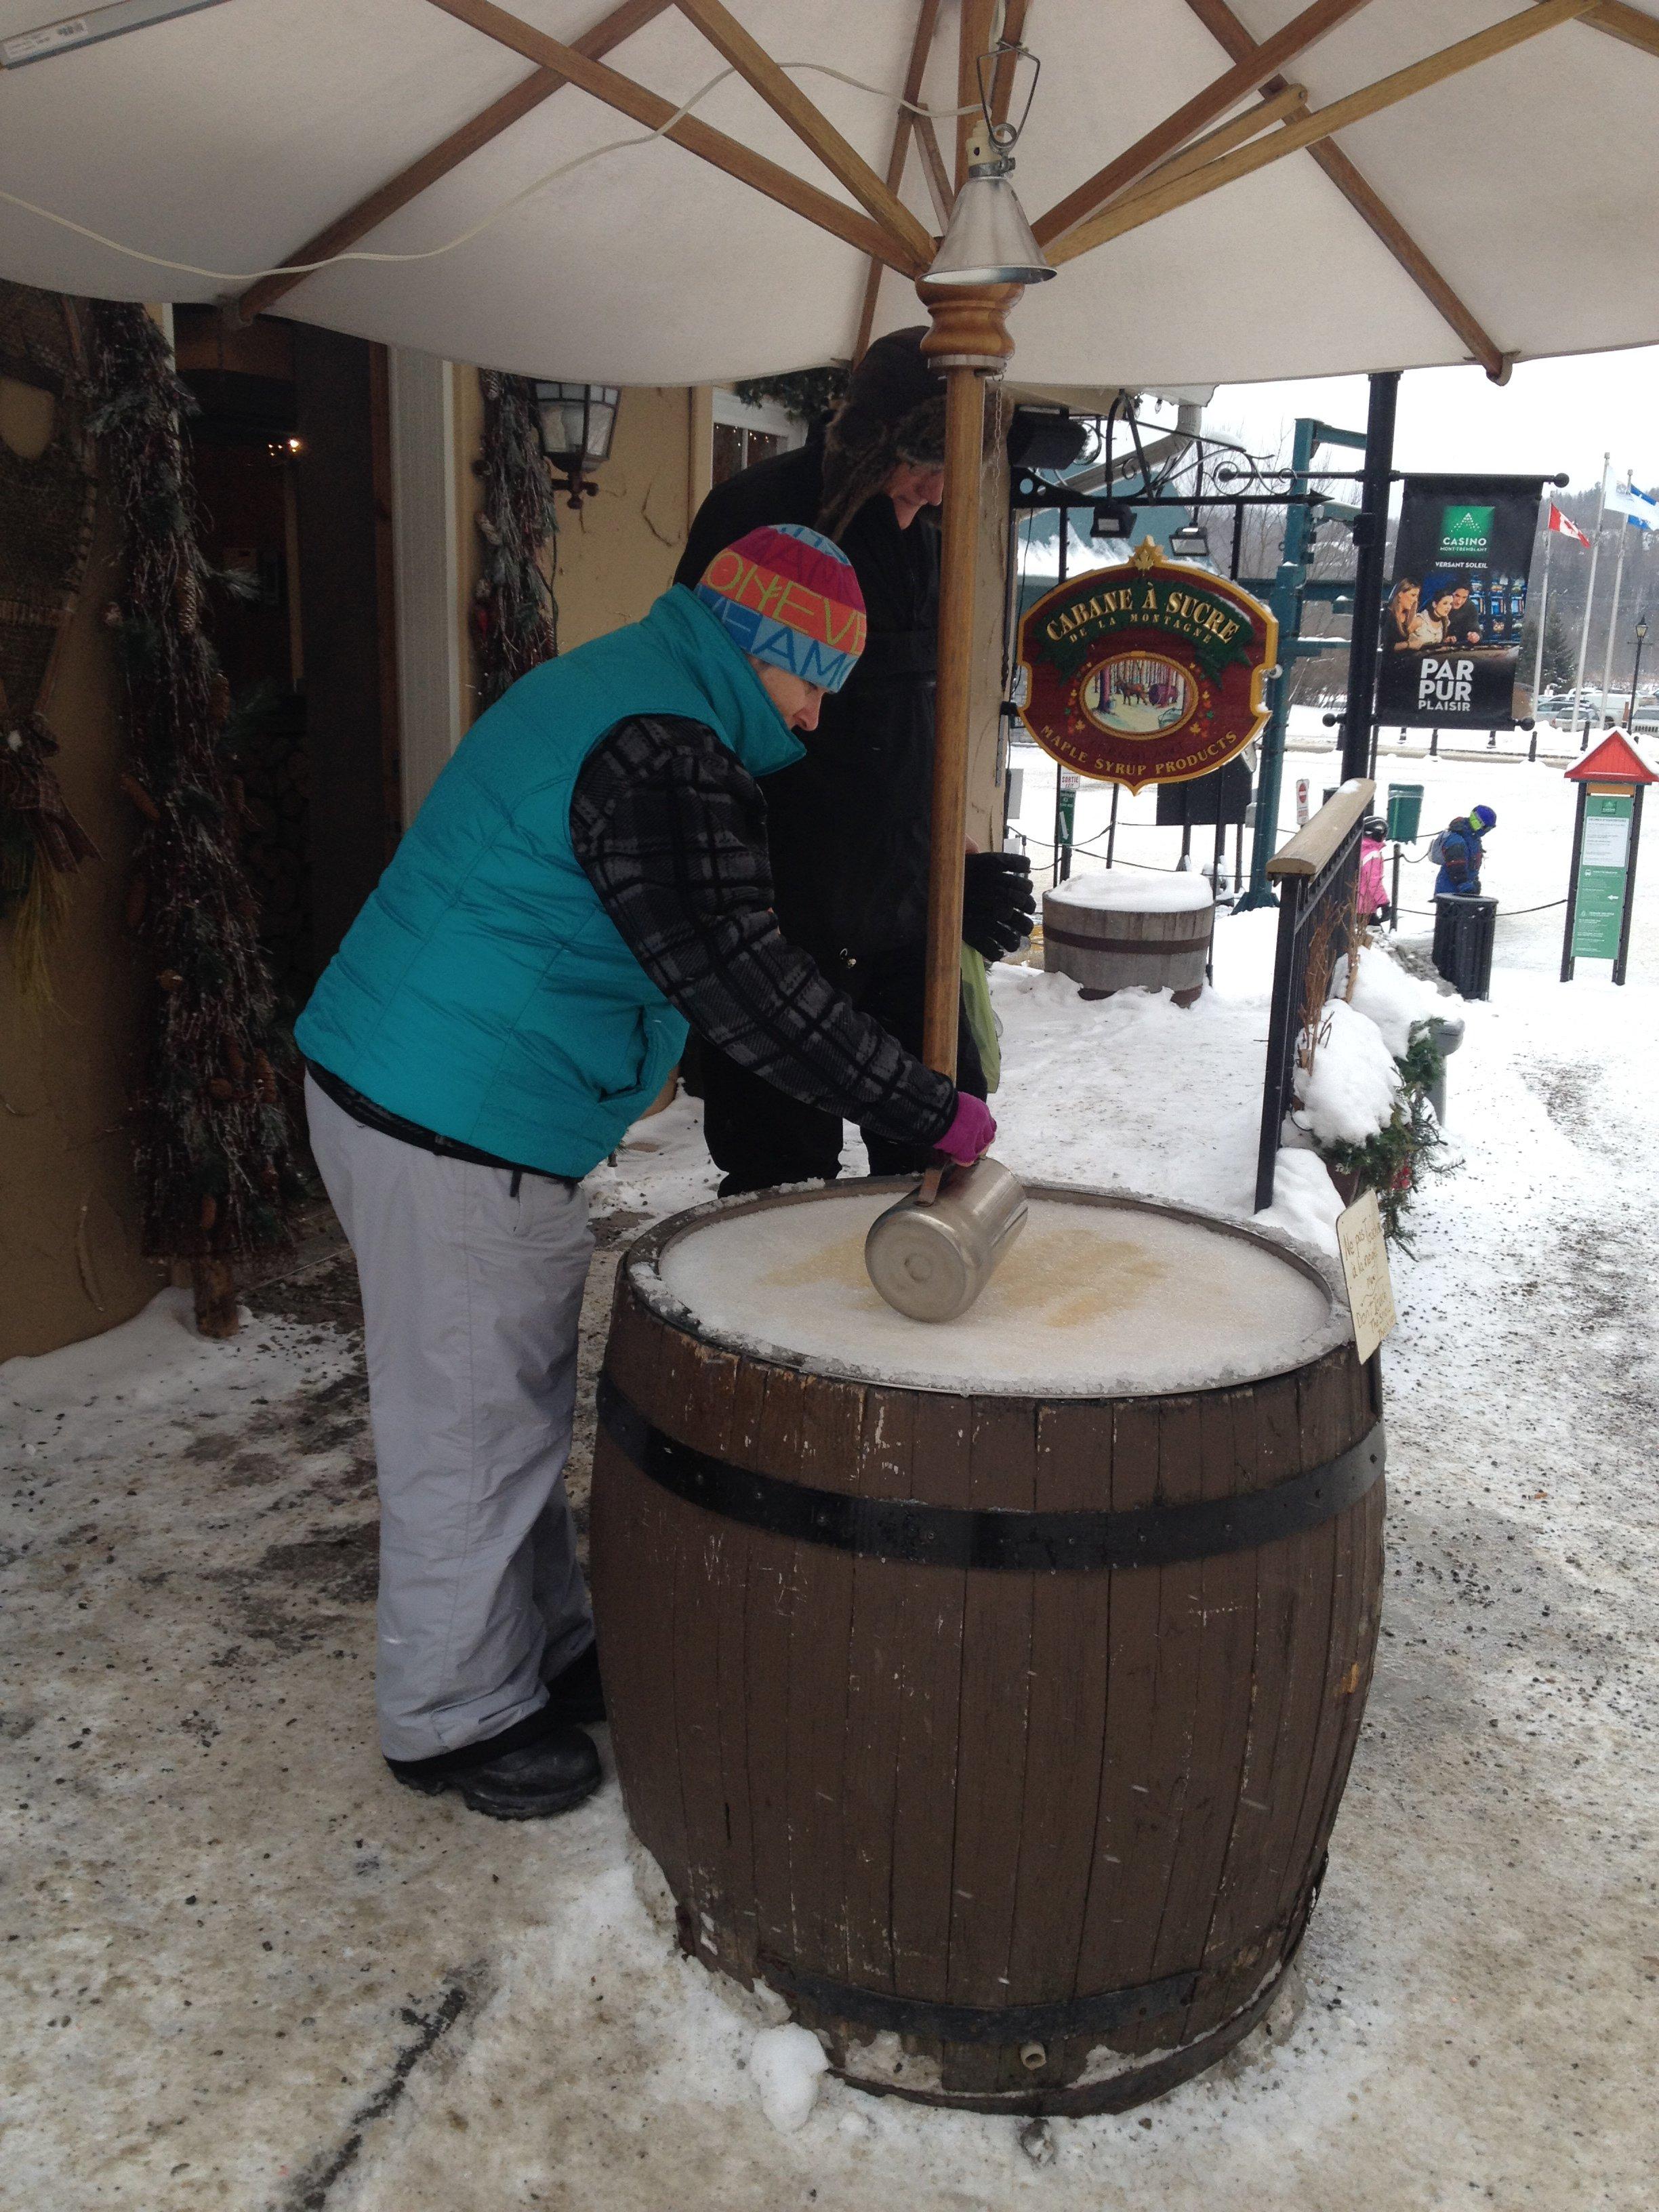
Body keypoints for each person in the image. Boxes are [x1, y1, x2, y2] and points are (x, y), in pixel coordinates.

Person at [293, 525, 996, 1821]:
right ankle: (449, 1716)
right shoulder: (665, 751)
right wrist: (927, 1109)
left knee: (506, 1401)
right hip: (450, 1114)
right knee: (467, 1430)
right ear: (764, 650)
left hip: (433, 1085)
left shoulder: (639, 686)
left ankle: (539, 1651)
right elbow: (745, 987)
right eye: (815, 679)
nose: (819, 712)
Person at [674, 328, 1033, 1195]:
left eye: (951, 473)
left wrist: (951, 868)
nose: (930, 495)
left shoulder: (920, 536)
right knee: (780, 1183)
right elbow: (703, 723)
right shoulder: (762, 521)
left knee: (939, 1162)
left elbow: (913, 735)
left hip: (902, 920)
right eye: (919, 464)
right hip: (779, 913)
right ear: (868, 440)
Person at [1435, 803, 1496, 895]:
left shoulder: (1473, 839)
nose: (1487, 832)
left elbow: (1472, 865)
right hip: (1450, 894)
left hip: (1463, 894)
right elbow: (1456, 868)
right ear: (1478, 823)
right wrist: (1466, 887)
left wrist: (1475, 882)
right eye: (1487, 829)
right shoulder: (1457, 841)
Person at [1358, 813, 1389, 927]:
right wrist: (1384, 903)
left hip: (1355, 902)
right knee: (1375, 934)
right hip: (1365, 906)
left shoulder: (1360, 850)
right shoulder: (1373, 855)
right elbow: (1374, 882)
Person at [1407, 583, 1458, 652]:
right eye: (1445, 603)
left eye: (1450, 604)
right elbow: (1402, 641)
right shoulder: (1419, 620)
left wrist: (1445, 641)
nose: (1449, 607)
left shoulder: (1445, 621)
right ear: (1434, 604)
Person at [1385, 577, 1419, 649]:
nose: (1415, 600)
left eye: (1417, 596)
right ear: (1400, 594)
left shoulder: (1408, 617)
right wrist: (1409, 644)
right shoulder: (1387, 615)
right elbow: (1386, 646)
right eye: (1413, 595)